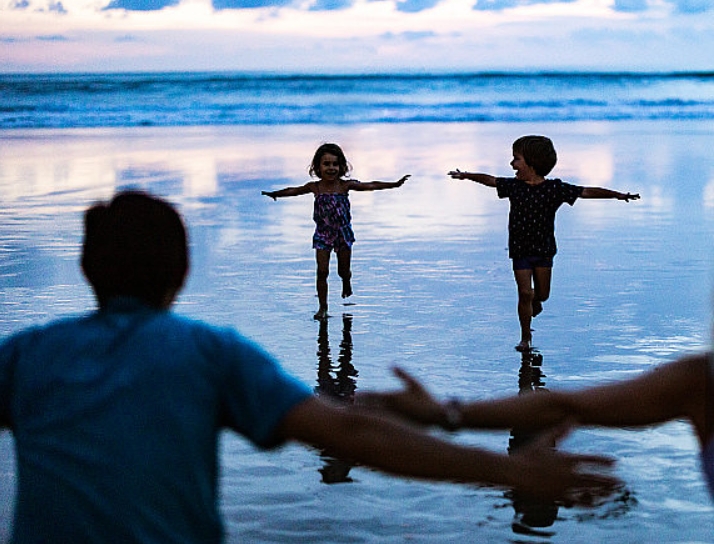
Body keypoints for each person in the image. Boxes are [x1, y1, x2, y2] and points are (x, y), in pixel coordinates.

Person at [0, 190, 621, 543]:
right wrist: (508, 472)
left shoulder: (26, 355)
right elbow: (347, 431)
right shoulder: (210, 353)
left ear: (86, 270)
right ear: (182, 272)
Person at [358, 353, 714, 500]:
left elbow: (558, 407)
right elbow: (559, 407)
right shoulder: (700, 380)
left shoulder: (700, 379)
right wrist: (445, 414)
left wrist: (445, 415)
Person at [448, 135, 640, 351]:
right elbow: (490, 180)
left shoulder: (555, 189)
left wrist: (617, 195)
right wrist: (465, 175)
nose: (512, 164)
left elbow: (585, 191)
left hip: (544, 249)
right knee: (524, 293)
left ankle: (535, 302)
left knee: (542, 295)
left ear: (532, 162)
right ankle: (525, 337)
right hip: (520, 249)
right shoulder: (513, 186)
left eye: (516, 159)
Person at [262, 143, 410, 319]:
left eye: (335, 164)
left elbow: (370, 185)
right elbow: (293, 190)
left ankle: (346, 281)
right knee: (322, 272)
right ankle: (323, 307)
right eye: (326, 164)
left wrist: (394, 184)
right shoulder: (315, 187)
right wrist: (275, 194)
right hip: (323, 235)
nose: (331, 168)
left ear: (341, 167)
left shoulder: (345, 186)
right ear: (318, 167)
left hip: (343, 233)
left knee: (343, 270)